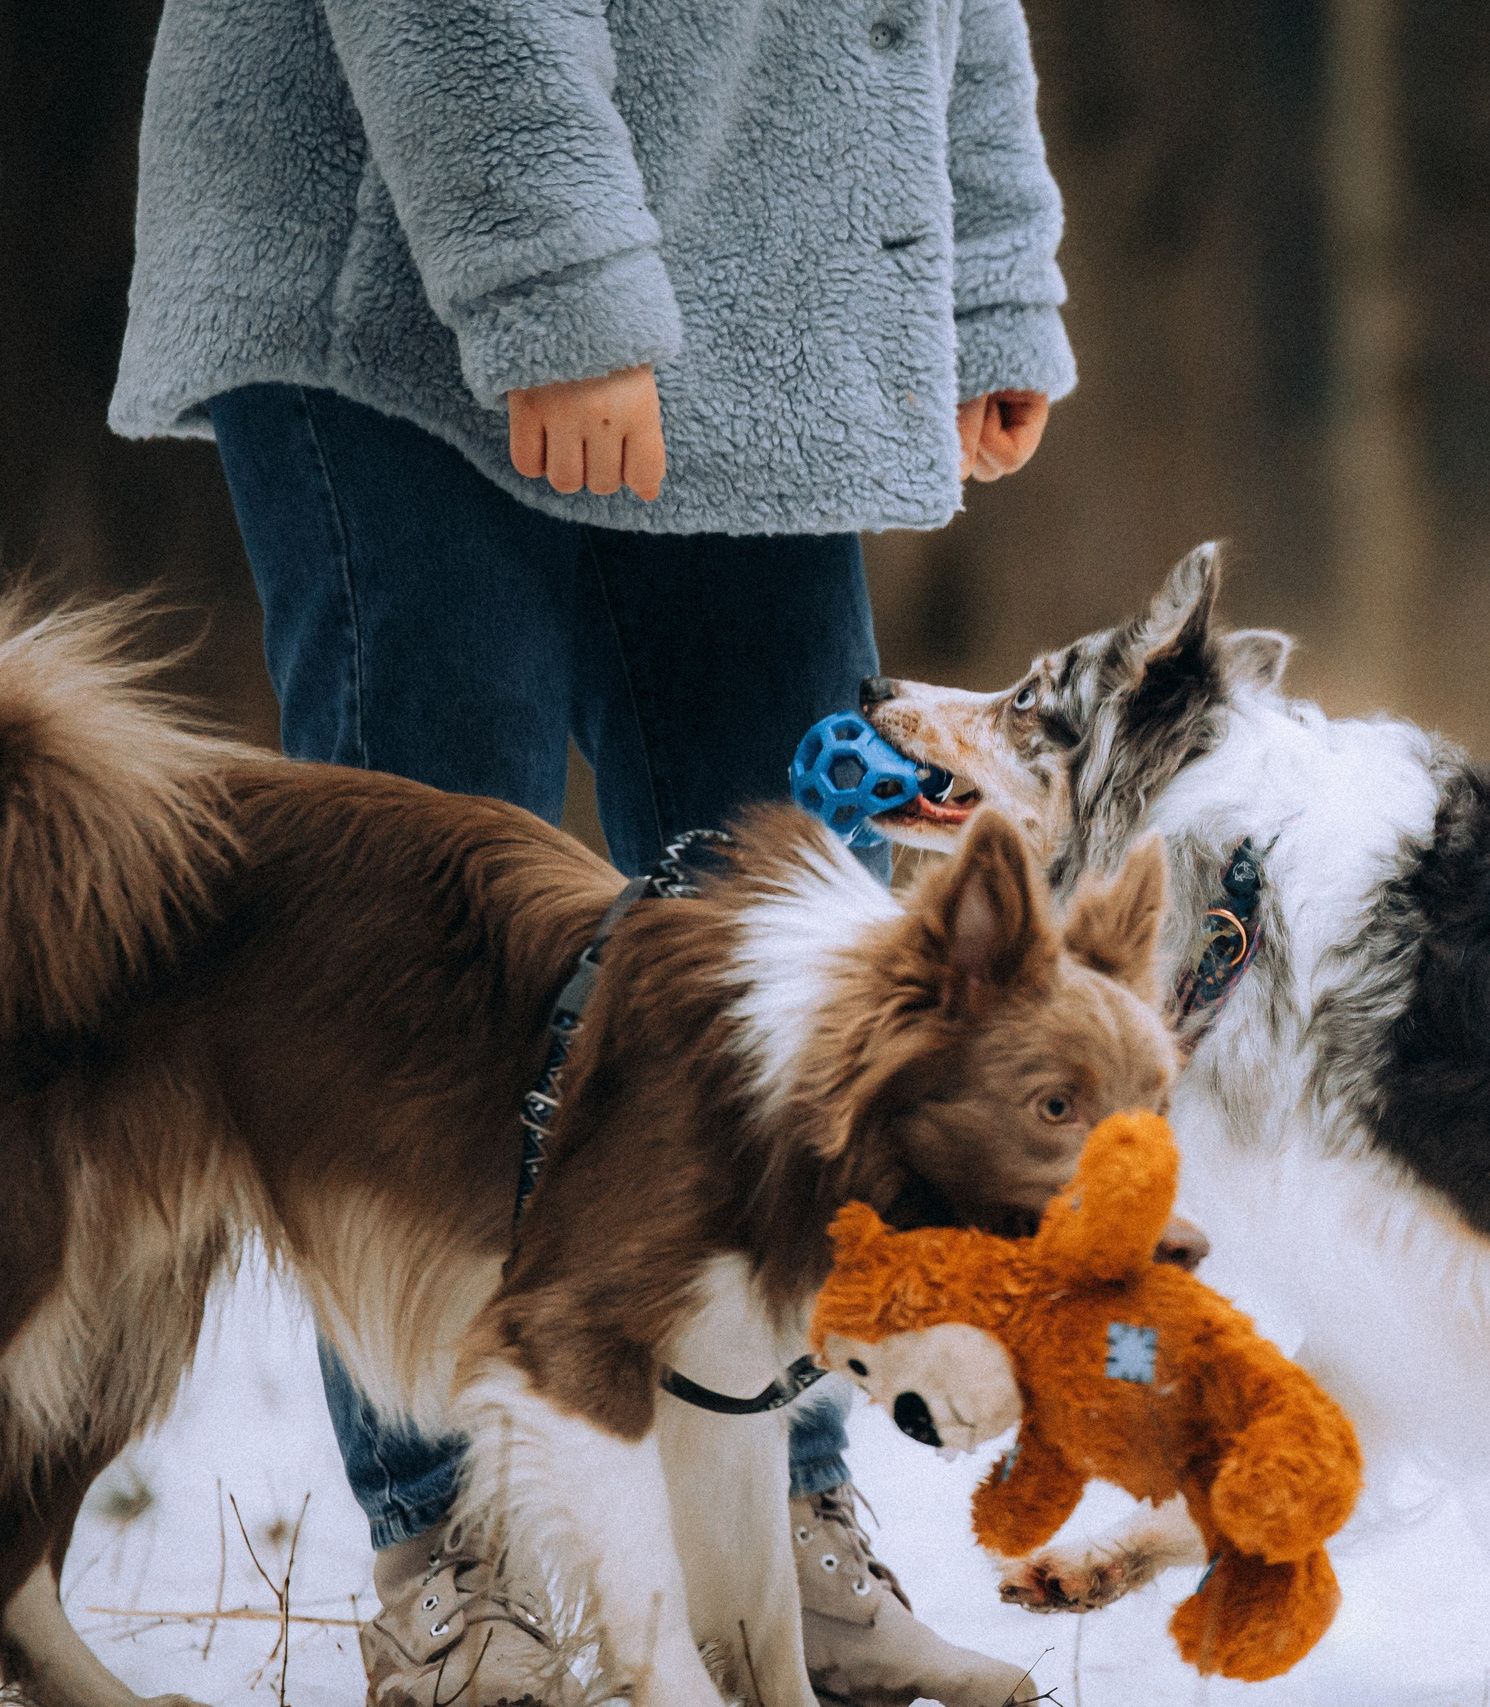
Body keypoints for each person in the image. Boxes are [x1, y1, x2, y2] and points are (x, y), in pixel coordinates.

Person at [109, 2, 1072, 1703]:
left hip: (752, 269)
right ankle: (452, 1551)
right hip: (399, 266)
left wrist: (981, 271)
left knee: (799, 914)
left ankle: (776, 1527)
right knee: (416, 943)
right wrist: (549, 286)